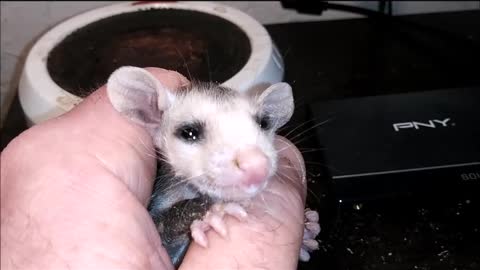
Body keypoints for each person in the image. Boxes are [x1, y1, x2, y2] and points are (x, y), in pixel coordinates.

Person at [1, 68, 308, 270]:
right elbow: (160, 230)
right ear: (153, 122)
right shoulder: (138, 193)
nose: (255, 161)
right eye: (190, 133)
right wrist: (197, 212)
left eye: (262, 123)